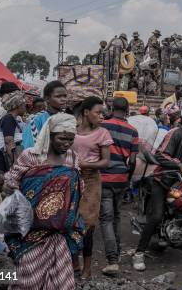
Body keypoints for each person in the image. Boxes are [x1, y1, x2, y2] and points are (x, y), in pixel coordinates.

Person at [4, 113, 83, 290]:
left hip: (59, 229)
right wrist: (13, 190)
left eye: (70, 139)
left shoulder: (73, 158)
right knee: (27, 277)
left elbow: (78, 188)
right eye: (62, 138)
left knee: (59, 277)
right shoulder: (31, 156)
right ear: (50, 134)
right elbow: (11, 181)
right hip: (31, 228)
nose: (66, 143)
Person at [132, 103, 182, 272]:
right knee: (156, 216)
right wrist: (179, 165)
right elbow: (161, 154)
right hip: (164, 180)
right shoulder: (175, 133)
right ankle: (139, 253)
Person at [71, 97, 113, 279]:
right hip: (70, 179)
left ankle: (87, 269)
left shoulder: (103, 133)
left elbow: (106, 162)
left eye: (102, 112)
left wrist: (85, 164)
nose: (101, 115)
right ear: (86, 112)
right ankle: (74, 265)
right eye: (98, 112)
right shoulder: (71, 131)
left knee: (88, 226)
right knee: (70, 222)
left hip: (91, 181)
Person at [99, 97, 138, 276]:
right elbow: (133, 161)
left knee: (106, 218)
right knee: (115, 216)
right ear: (127, 109)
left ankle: (112, 259)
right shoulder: (133, 131)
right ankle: (118, 254)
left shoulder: (103, 126)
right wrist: (127, 180)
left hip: (104, 177)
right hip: (121, 178)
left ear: (111, 108)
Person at [22, 81, 67, 150]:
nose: (63, 99)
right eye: (58, 96)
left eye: (65, 96)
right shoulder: (36, 120)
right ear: (47, 99)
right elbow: (29, 149)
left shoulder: (67, 119)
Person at [0, 91, 27, 172]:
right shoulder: (9, 119)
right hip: (2, 160)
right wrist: (15, 162)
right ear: (18, 106)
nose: (25, 108)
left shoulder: (9, 118)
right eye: (24, 105)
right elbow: (9, 141)